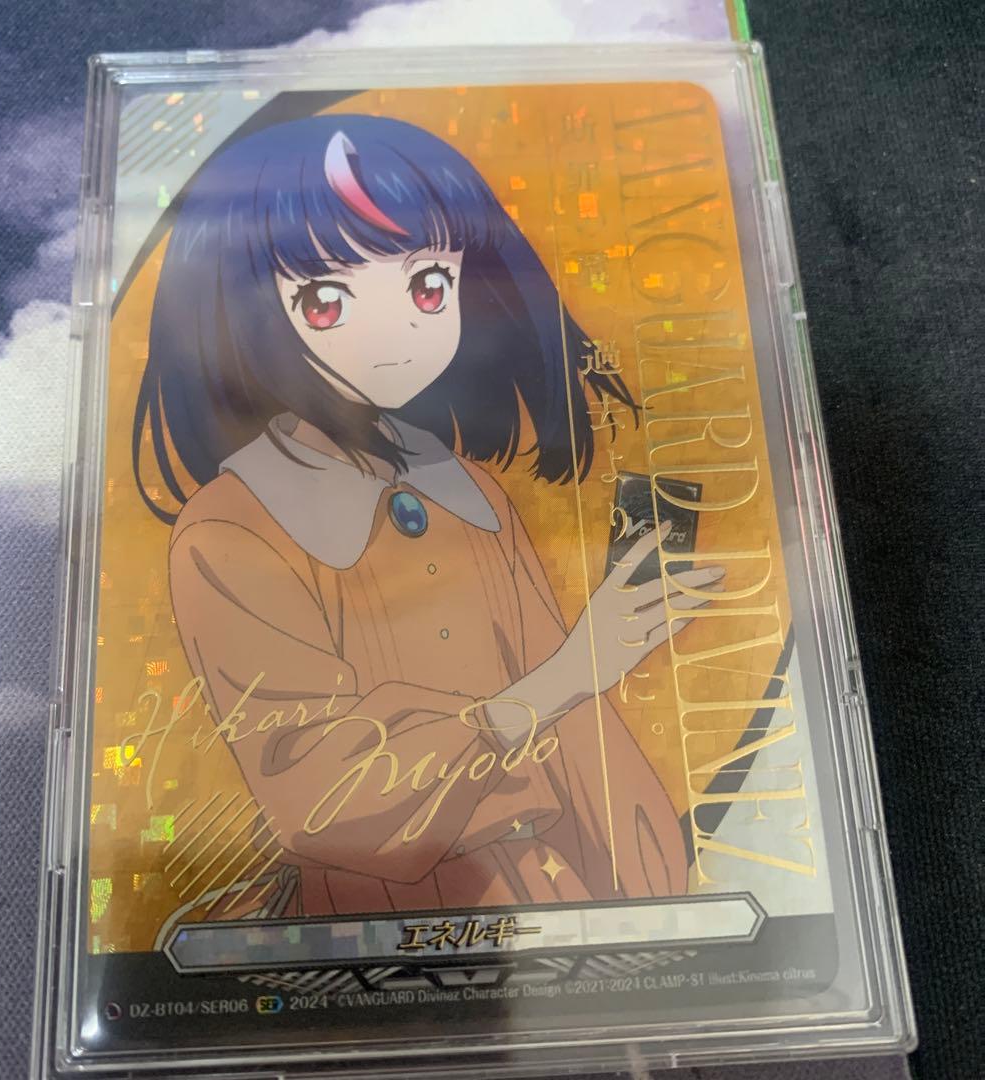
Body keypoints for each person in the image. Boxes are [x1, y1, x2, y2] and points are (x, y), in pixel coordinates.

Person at [135, 115, 720, 919]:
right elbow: (319, 796)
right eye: (327, 299)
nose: (398, 332)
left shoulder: (465, 489)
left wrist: (652, 902)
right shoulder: (233, 529)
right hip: (388, 924)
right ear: (243, 309)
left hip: (561, 894)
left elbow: (587, 747)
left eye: (428, 288)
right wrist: (561, 680)